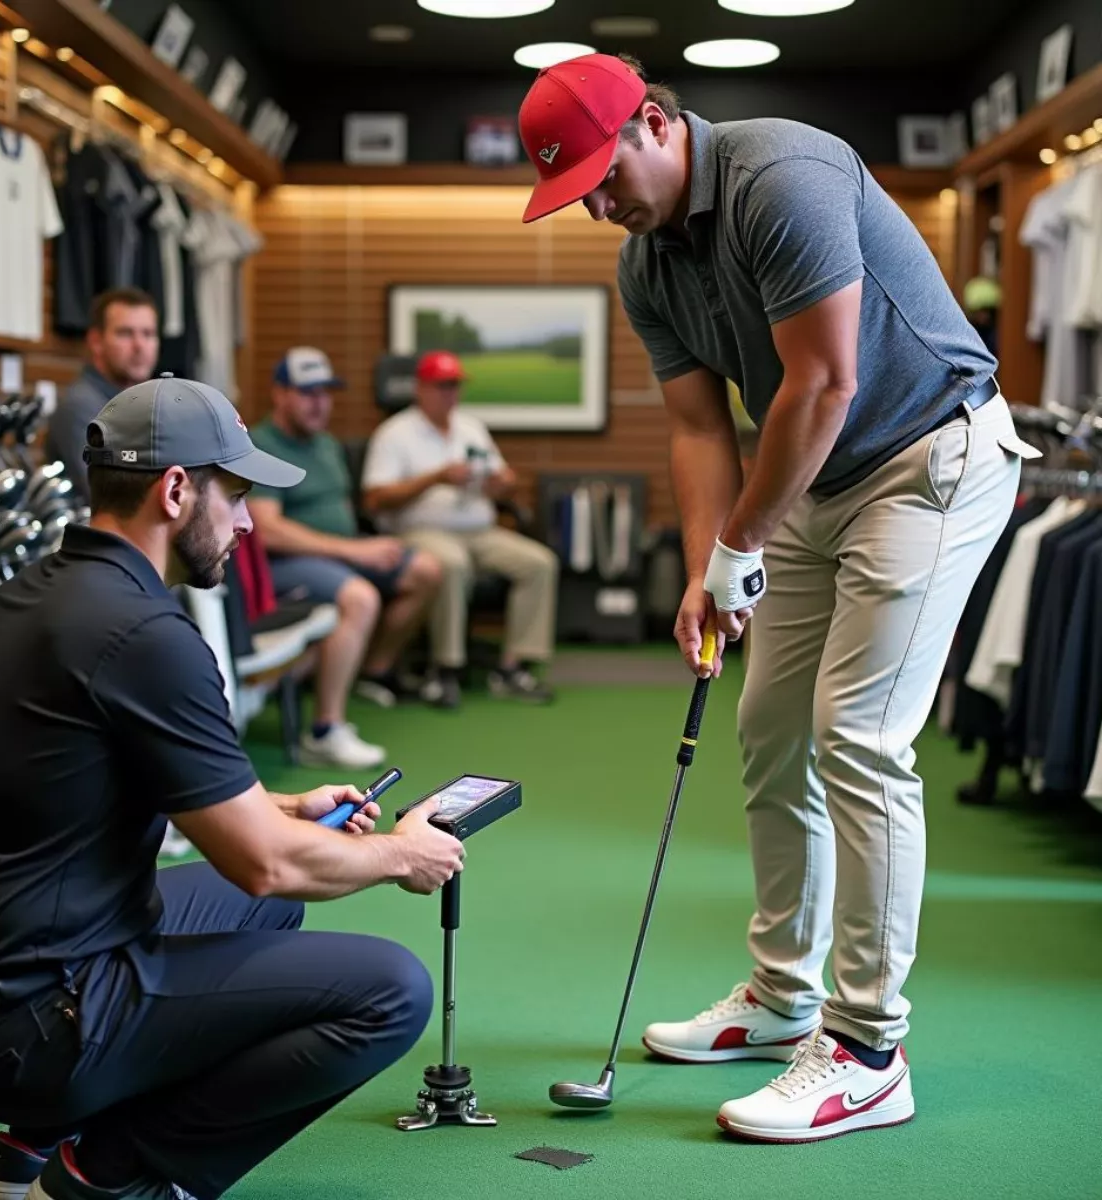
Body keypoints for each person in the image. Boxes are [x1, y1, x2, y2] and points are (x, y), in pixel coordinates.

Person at [517, 53, 1040, 1142]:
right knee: (764, 724)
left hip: (930, 456)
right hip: (814, 473)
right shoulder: (646, 267)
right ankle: (781, 996)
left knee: (856, 734)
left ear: (654, 123)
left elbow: (824, 380)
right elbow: (703, 426)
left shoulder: (780, 175)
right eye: (578, 200)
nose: (601, 210)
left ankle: (867, 1046)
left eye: (604, 182)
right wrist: (715, 565)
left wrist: (741, 541)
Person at [0, 374, 466, 1200]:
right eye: (234, 494)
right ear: (175, 491)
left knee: (265, 914)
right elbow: (266, 865)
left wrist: (282, 805)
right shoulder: (144, 634)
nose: (245, 522)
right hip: (30, 1027)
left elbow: (100, 775)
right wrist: (400, 855)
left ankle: (36, 1142)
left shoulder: (34, 595)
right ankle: (102, 1174)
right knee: (389, 991)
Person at [247, 348, 444, 765]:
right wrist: (354, 550)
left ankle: (372, 670)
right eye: (307, 392)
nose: (320, 402)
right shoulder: (260, 445)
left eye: (326, 392)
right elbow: (267, 530)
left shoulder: (326, 445)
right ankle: (324, 731)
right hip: (284, 565)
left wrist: (369, 545)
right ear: (279, 393)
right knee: (361, 598)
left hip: (342, 554)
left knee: (425, 570)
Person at [361, 350, 558, 707]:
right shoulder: (394, 433)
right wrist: (435, 478)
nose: (450, 394)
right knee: (451, 562)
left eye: (455, 386)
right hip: (419, 531)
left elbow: (501, 479)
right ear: (420, 388)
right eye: (442, 386)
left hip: (478, 529)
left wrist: (502, 484)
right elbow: (375, 499)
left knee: (539, 562)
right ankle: (445, 668)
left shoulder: (471, 427)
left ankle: (513, 667)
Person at [44, 288, 161, 501]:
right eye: (125, 333)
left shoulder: (139, 404)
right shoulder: (81, 408)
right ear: (96, 342)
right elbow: (111, 499)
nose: (139, 346)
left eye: (148, 334)